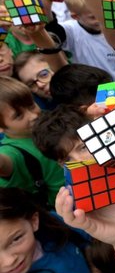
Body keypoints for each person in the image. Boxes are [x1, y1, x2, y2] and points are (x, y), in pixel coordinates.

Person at [0, 77, 63, 208]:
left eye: (31, 105)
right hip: (72, 211)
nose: (33, 116)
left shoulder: (48, 119)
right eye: (18, 115)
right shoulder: (12, 152)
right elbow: (4, 164)